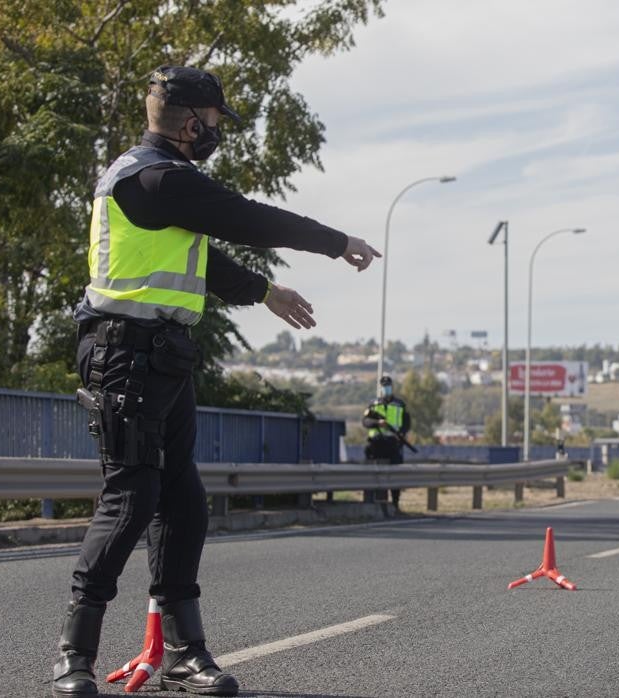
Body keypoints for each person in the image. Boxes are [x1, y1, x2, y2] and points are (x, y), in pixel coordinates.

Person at [54, 66, 381, 698]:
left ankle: (183, 655)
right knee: (131, 501)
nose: (215, 134)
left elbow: (202, 259)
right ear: (189, 121)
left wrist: (263, 291)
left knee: (184, 505)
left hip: (163, 353)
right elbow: (248, 219)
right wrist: (337, 242)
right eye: (213, 122)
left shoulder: (164, 185)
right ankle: (74, 656)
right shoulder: (153, 177)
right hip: (123, 352)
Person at [363, 375, 412, 512]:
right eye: (384, 386)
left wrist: (401, 433)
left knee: (395, 476)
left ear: (392, 387)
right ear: (380, 388)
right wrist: (378, 423)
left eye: (388, 386)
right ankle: (372, 502)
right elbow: (365, 422)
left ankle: (395, 503)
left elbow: (407, 424)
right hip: (376, 444)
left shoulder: (400, 405)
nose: (386, 389)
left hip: (392, 444)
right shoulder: (374, 404)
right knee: (373, 475)